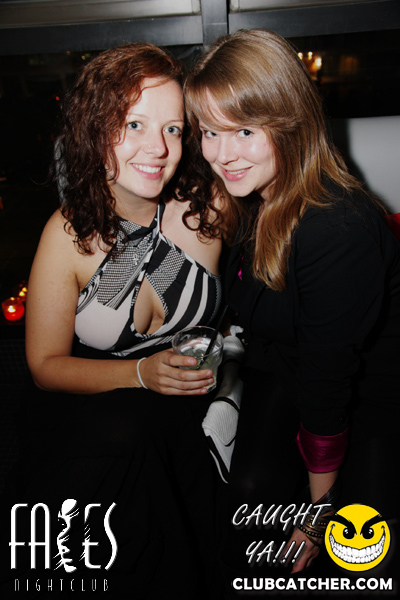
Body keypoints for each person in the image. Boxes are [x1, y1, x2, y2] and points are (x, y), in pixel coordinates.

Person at [0, 43, 224, 599]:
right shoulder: (68, 233)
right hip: (89, 415)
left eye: (173, 129)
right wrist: (141, 374)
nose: (158, 148)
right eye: (134, 124)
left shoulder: (209, 210)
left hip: (179, 416)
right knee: (125, 433)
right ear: (95, 131)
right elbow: (44, 366)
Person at [184, 28, 400, 590]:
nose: (222, 155)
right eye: (209, 132)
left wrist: (318, 512)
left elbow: (329, 386)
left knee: (357, 557)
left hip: (368, 399)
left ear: (291, 123)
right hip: (285, 370)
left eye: (244, 131)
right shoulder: (251, 196)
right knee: (246, 509)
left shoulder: (337, 227)